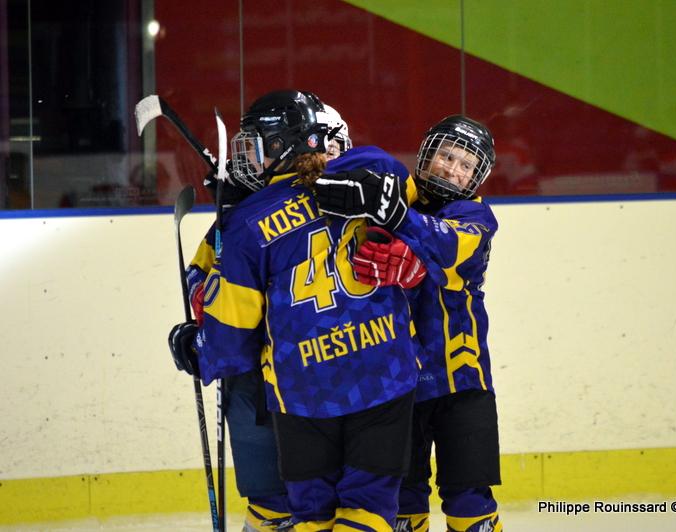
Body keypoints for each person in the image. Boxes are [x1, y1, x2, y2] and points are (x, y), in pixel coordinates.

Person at [170, 89, 421, 531]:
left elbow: (230, 335)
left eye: (257, 146)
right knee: (368, 510)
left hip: (303, 393)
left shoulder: (247, 224)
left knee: (310, 516)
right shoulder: (364, 182)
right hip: (383, 379)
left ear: (290, 144)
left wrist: (196, 349)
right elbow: (393, 173)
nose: (246, 159)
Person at [314, 115, 502, 532]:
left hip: (462, 382)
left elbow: (448, 245)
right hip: (397, 385)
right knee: (403, 502)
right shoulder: (394, 191)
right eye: (447, 156)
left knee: (470, 502)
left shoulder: (478, 218)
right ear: (427, 153)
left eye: (466, 165)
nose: (453, 169)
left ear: (477, 177)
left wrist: (396, 219)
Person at [176, 99, 355, 532]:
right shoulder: (360, 206)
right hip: (342, 386)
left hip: (274, 388)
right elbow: (202, 283)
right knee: (307, 501)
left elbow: (214, 311)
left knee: (295, 501)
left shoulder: (251, 221)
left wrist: (200, 349)